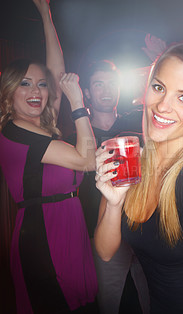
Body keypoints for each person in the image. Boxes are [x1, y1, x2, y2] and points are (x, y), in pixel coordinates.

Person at [94, 40, 183, 314]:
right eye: (158, 87)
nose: (162, 106)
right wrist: (114, 202)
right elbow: (105, 252)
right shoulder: (135, 161)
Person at [0, 1, 98, 312]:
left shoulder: (42, 125)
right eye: (25, 84)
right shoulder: (14, 129)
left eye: (41, 85)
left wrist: (46, 14)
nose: (37, 90)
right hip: (42, 234)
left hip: (70, 223)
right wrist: (79, 103)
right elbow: (87, 161)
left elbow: (56, 72)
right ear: (8, 93)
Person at [68, 59, 149, 314]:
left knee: (150, 298)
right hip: (100, 229)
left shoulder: (137, 125)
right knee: (113, 302)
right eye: (98, 84)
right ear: (88, 93)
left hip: (144, 226)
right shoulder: (77, 137)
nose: (106, 90)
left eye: (112, 83)